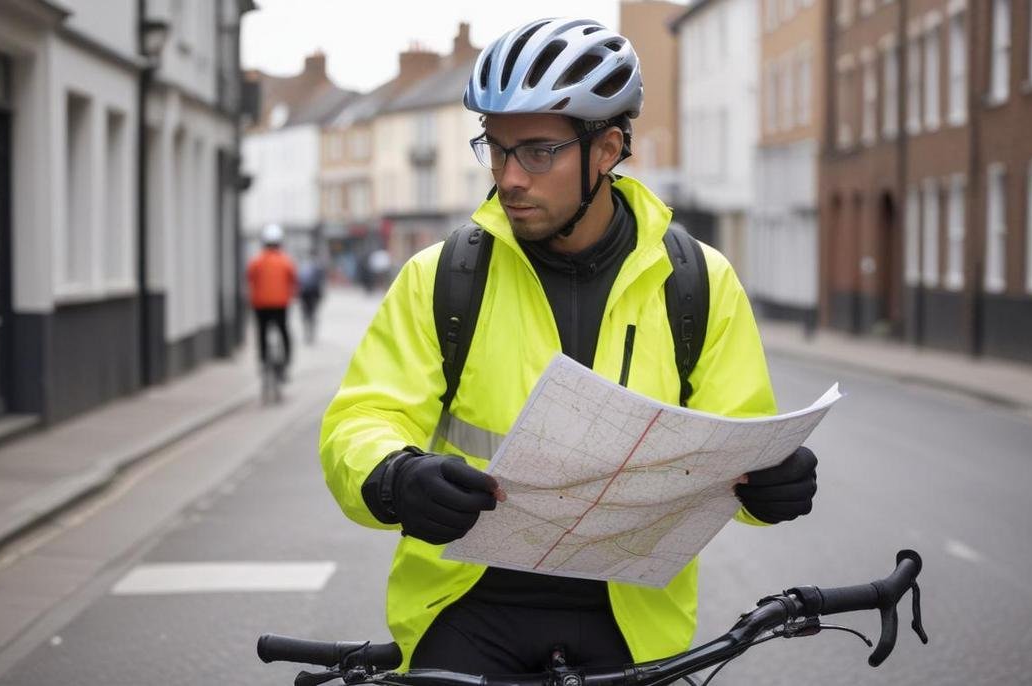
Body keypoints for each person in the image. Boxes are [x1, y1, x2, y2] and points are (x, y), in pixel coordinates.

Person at [320, 17, 818, 675]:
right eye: (496, 149)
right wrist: (393, 477)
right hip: (468, 610)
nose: (509, 177)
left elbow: (740, 440)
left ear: (607, 149)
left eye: (537, 151)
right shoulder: (442, 278)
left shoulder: (696, 282)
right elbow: (361, 420)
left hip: (633, 623)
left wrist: (772, 482)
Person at [247, 223, 297, 379]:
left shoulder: (256, 261)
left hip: (260, 304)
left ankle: (263, 361)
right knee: (283, 331)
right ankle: (286, 363)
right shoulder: (286, 261)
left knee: (261, 332)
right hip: (281, 304)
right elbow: (293, 280)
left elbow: (250, 278)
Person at [298, 253, 327, 344]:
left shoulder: (301, 267)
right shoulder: (318, 267)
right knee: (312, 314)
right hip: (314, 294)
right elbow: (321, 281)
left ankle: (308, 332)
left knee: (306, 314)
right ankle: (310, 332)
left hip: (304, 294)